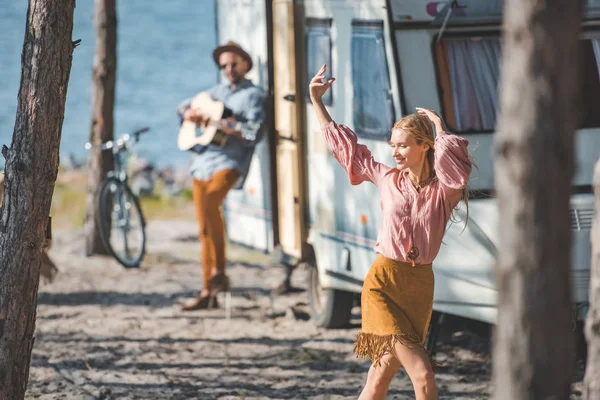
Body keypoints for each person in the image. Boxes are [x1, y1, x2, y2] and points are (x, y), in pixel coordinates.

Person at [309, 64, 472, 400]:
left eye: (403, 146)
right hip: (383, 283)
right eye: (392, 145)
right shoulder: (386, 178)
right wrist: (317, 102)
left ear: (425, 146)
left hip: (419, 288)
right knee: (423, 375)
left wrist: (440, 129)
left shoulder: (444, 192)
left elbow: (457, 169)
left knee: (378, 380)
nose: (394, 152)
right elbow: (348, 152)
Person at [179, 41, 266, 311]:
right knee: (204, 227)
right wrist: (189, 113)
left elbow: (255, 132)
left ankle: (220, 272)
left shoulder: (254, 96)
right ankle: (209, 290)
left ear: (245, 64)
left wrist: (233, 128)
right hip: (201, 162)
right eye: (224, 66)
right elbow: (183, 107)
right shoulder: (214, 92)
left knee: (211, 205)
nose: (229, 69)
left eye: (233, 64)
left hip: (229, 162)